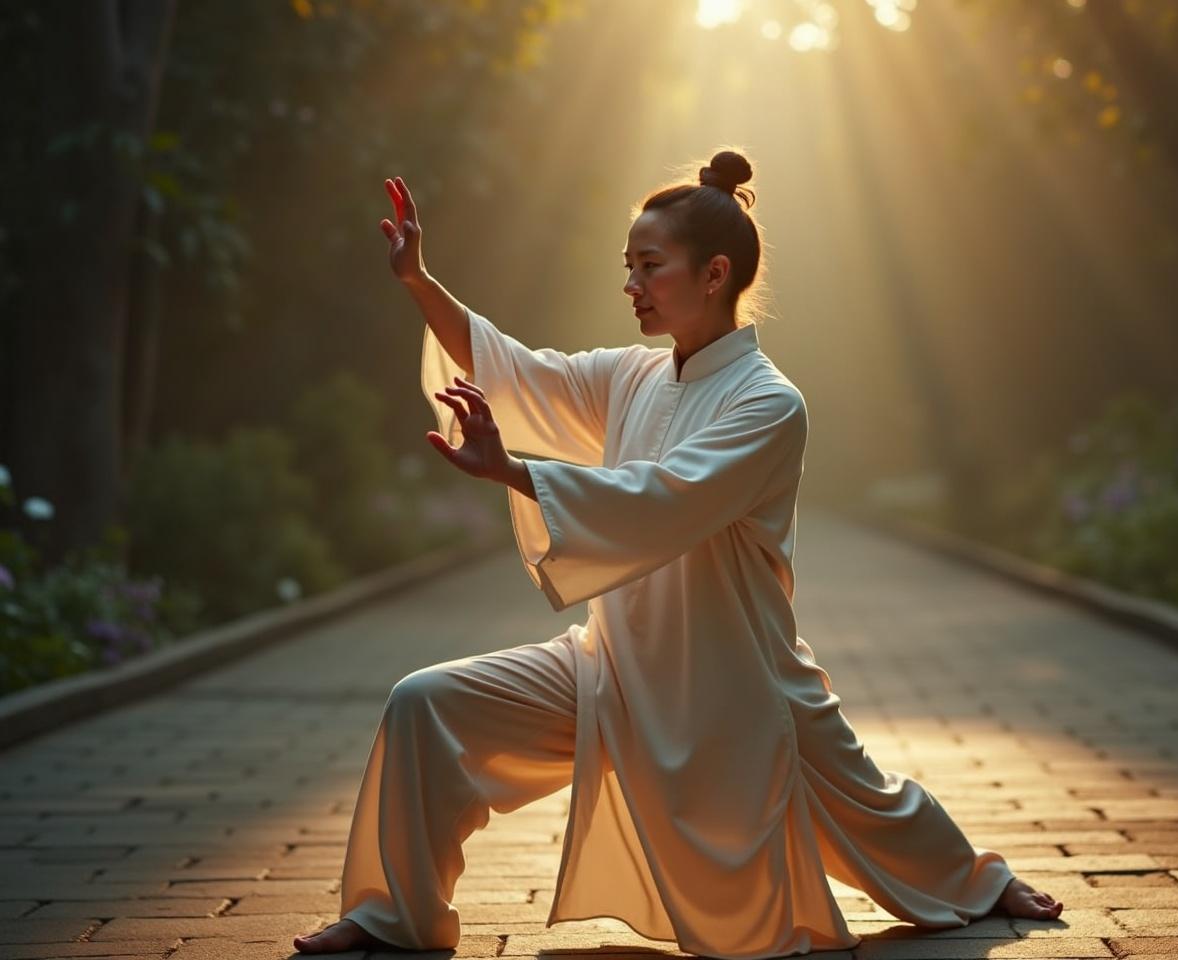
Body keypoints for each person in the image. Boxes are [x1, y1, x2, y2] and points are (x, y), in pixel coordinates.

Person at [294, 152, 1064, 957]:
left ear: (715, 272)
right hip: (610, 665)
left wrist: (515, 471)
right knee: (425, 703)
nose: (631, 284)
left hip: (733, 679)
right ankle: (393, 917)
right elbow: (513, 369)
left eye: (649, 266)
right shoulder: (633, 376)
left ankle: (980, 882)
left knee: (866, 802)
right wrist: (419, 280)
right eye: (628, 267)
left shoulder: (769, 403)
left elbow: (663, 499)